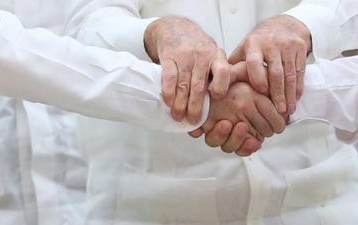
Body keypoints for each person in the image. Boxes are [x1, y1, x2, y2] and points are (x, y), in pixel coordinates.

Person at [71, 0, 358, 224]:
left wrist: (303, 23)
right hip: (149, 208)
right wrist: (155, 33)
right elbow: (89, 27)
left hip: (323, 200)